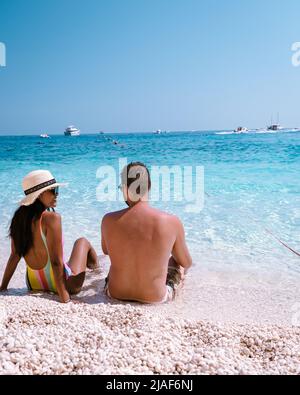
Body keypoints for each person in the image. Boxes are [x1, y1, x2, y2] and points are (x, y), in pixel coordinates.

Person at [0, 170, 98, 303]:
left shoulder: (18, 219)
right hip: (61, 284)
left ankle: (96, 271)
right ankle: (97, 270)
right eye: (53, 190)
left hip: (33, 283)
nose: (57, 194)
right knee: (82, 242)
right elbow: (56, 262)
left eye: (56, 189)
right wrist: (64, 297)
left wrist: (3, 287)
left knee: (68, 262)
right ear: (40, 195)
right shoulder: (52, 218)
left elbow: (14, 256)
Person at [101, 162, 192, 304]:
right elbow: (186, 262)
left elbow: (106, 250)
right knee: (176, 261)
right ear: (148, 187)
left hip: (115, 293)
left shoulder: (108, 220)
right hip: (155, 298)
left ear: (125, 189)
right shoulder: (171, 222)